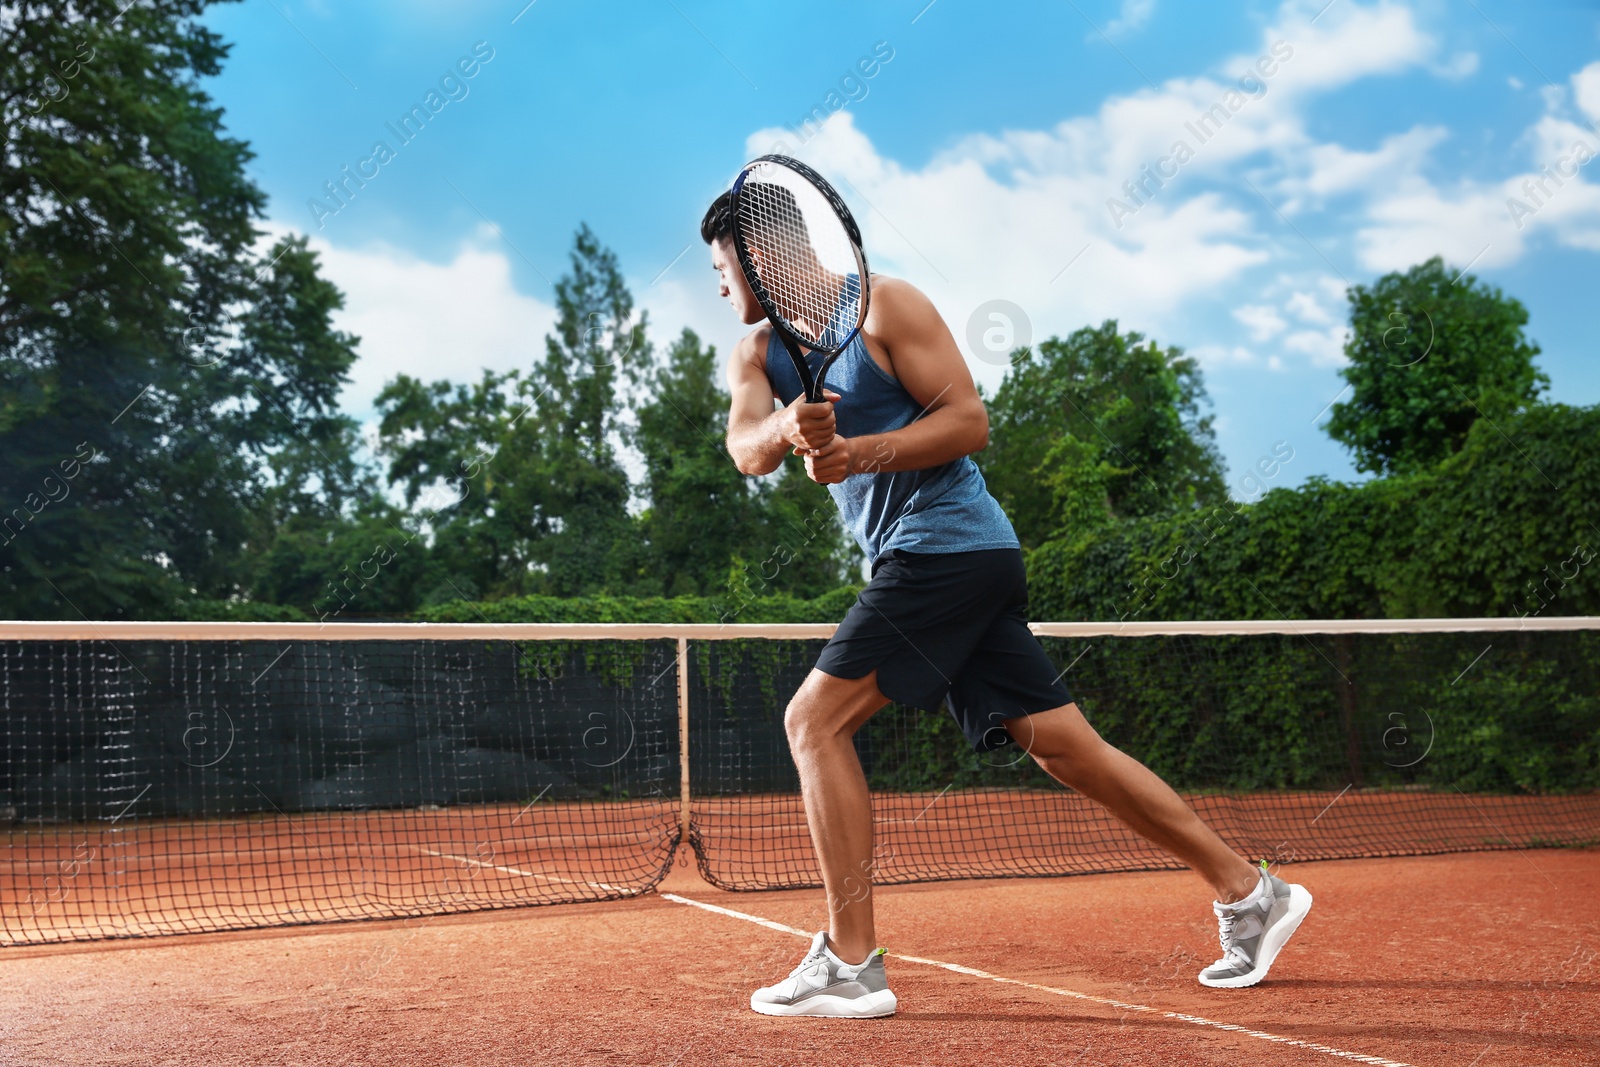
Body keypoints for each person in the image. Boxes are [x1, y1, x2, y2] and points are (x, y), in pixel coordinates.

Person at [701, 191, 1312, 1019]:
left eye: (724, 269)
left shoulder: (887, 305)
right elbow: (745, 448)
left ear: (764, 258)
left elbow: (969, 419)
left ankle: (851, 962)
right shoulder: (758, 355)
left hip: (947, 545)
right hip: (949, 565)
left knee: (814, 721)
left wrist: (859, 450)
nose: (719, 286)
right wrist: (787, 431)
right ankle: (1250, 892)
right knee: (1065, 748)